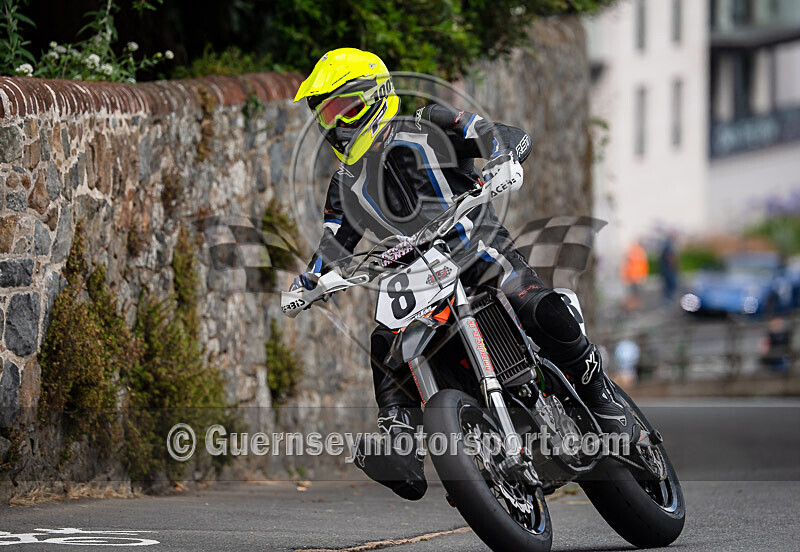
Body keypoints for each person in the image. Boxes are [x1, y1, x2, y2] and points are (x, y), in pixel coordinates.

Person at [290, 48, 638, 500]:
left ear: (375, 96)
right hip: (415, 275)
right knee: (385, 339)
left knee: (536, 305)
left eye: (345, 109)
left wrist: (503, 159)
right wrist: (311, 280)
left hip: (477, 246)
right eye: (329, 116)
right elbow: (334, 242)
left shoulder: (428, 123)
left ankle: (598, 396)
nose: (339, 124)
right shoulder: (343, 183)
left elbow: (495, 134)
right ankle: (399, 438)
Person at [621, 241, 649, 311]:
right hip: (635, 277)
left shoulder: (633, 252)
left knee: (634, 294)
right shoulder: (640, 252)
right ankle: (633, 308)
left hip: (634, 277)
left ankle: (633, 308)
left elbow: (643, 265)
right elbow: (644, 265)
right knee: (634, 294)